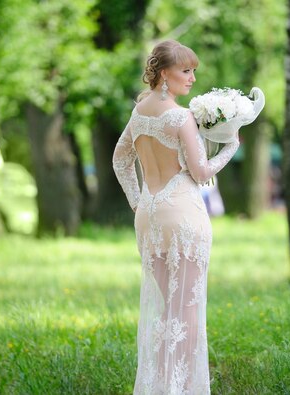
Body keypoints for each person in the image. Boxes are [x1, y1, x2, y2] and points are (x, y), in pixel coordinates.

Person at [112, 40, 240, 394]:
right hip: (183, 215)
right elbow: (200, 173)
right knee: (187, 313)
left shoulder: (138, 114)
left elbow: (120, 159)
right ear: (164, 74)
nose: (193, 78)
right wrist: (230, 147)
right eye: (186, 71)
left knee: (170, 312)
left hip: (150, 216)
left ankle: (164, 386)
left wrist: (138, 201)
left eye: (194, 70)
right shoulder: (181, 117)